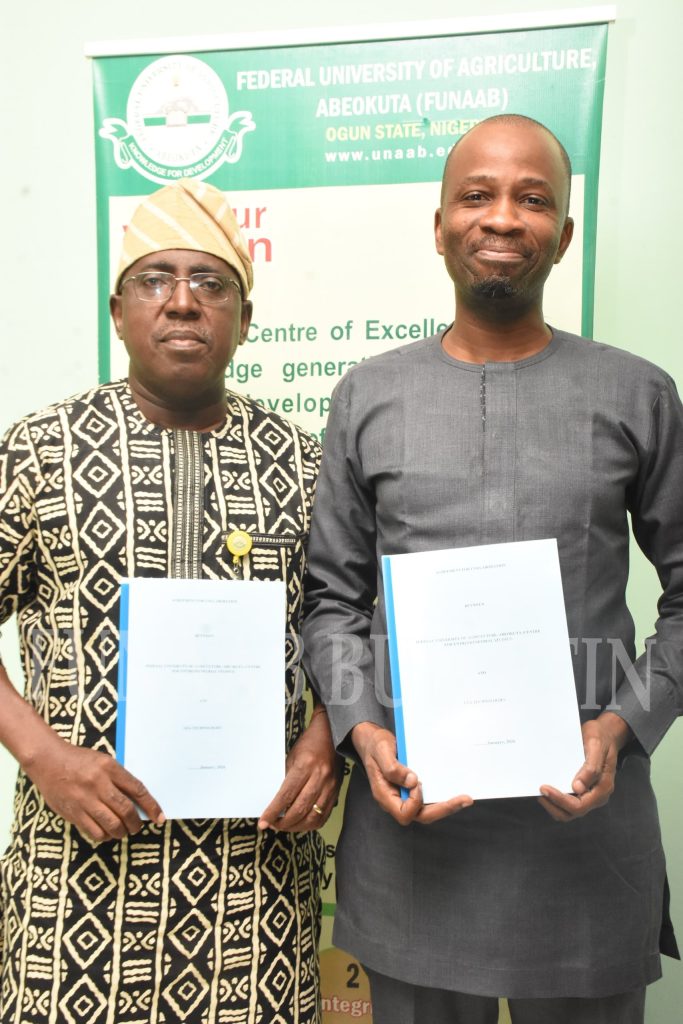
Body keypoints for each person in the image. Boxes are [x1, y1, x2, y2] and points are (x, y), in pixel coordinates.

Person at [302, 114, 682, 1024]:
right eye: (475, 195)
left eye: (532, 198)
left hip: (585, 829)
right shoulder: (368, 394)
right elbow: (330, 600)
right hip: (413, 825)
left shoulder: (637, 392)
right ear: (438, 226)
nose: (502, 218)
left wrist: (624, 726)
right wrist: (362, 731)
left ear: (564, 235)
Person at [0, 178, 340, 1024]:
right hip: (74, 878)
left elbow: (351, 626)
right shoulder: (39, 449)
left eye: (211, 283)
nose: (183, 303)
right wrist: (43, 755)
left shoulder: (305, 465)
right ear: (118, 313)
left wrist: (325, 740)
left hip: (254, 885)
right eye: (156, 280)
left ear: (245, 321)